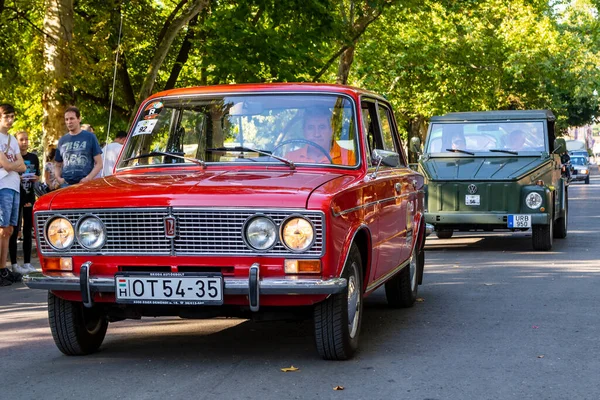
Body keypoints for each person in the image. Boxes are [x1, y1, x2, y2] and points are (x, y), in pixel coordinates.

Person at [0, 104, 27, 286]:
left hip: (14, 185)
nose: (10, 120)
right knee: (2, 229)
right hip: (2, 185)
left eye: (12, 117)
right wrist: (13, 164)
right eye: (6, 116)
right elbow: (9, 165)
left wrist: (14, 165)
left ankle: (3, 268)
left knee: (10, 229)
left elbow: (23, 166)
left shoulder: (12, 140)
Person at [9, 131, 40, 274]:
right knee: (14, 231)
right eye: (21, 139)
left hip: (29, 196)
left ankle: (27, 263)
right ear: (16, 141)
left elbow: (38, 175)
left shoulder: (34, 157)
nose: (24, 142)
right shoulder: (13, 158)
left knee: (28, 230)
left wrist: (35, 178)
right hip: (15, 196)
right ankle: (14, 264)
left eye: (26, 139)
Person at [284, 108, 355, 165]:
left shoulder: (348, 157)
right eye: (311, 128)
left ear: (331, 130)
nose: (317, 134)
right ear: (304, 131)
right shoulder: (290, 158)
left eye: (322, 127)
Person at [55, 106, 103, 186]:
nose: (69, 122)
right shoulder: (62, 140)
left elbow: (99, 163)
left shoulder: (90, 137)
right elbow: (57, 165)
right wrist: (58, 178)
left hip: (84, 184)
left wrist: (88, 178)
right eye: (66, 119)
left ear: (79, 119)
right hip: (66, 185)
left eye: (72, 118)